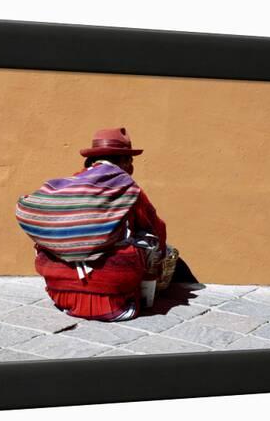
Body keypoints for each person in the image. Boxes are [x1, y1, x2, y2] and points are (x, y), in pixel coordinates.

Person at [16, 127, 177, 321]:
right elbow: (156, 228)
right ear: (124, 161)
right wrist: (158, 260)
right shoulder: (128, 188)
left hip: (62, 296)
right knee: (147, 243)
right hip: (115, 302)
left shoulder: (70, 185)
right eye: (130, 161)